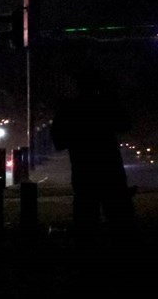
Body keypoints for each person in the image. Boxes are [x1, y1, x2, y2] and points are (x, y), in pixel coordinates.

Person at [50, 69, 136, 244]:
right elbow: (125, 124)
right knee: (120, 220)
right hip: (110, 170)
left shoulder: (70, 109)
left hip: (84, 170)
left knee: (86, 220)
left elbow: (58, 140)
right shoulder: (106, 105)